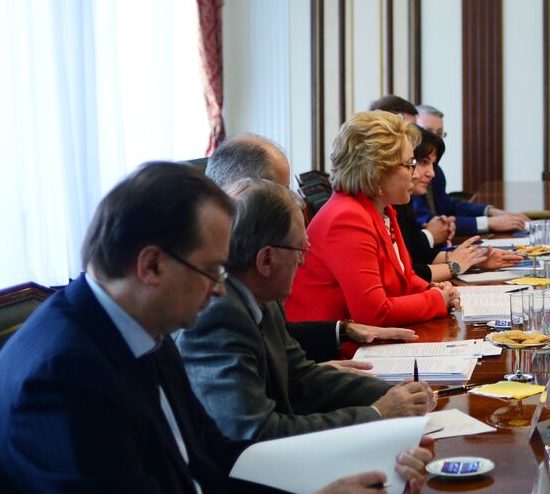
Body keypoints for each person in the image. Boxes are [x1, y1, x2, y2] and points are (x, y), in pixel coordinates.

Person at [0, 162, 430, 494]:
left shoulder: (140, 326)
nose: (220, 291)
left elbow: (217, 455)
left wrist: (366, 472)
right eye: (213, 271)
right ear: (152, 266)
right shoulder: (64, 377)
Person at [177, 178, 435, 441]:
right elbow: (259, 433)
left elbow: (301, 377)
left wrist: (393, 393)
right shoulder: (220, 317)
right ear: (266, 259)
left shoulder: (263, 296)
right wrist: (378, 413)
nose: (303, 261)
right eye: (301, 249)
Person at [205, 133, 417, 363]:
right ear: (238, 189)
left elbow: (281, 344)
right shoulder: (213, 293)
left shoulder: (254, 261)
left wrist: (341, 330)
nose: (289, 200)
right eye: (280, 189)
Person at [287, 111, 455, 334]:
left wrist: (432, 289)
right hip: (339, 351)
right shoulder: (346, 219)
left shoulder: (383, 209)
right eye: (408, 165)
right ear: (376, 172)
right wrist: (436, 300)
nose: (414, 174)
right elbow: (374, 313)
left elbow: (404, 278)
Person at [405, 127, 521, 281]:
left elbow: (420, 253)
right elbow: (406, 271)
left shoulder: (407, 198)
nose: (430, 172)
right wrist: (454, 266)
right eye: (421, 162)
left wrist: (476, 259)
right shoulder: (395, 202)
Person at [408, 102, 530, 235]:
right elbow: (426, 221)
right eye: (427, 131)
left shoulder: (436, 171)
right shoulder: (408, 176)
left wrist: (490, 212)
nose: (435, 138)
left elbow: (448, 207)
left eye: (439, 133)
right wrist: (490, 223)